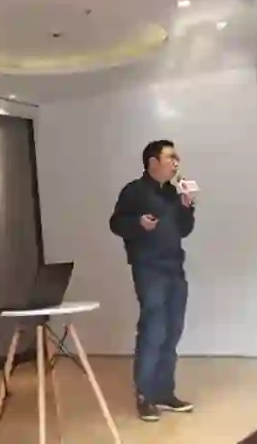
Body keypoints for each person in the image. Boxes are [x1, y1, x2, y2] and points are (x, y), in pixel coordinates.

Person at [108, 139, 196, 422]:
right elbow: (116, 223)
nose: (176, 162)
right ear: (153, 162)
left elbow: (184, 230)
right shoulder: (134, 191)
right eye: (170, 157)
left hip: (175, 268)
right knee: (154, 329)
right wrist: (138, 223)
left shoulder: (173, 192)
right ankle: (145, 395)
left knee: (173, 330)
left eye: (176, 157)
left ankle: (164, 393)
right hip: (149, 269)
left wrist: (187, 206)